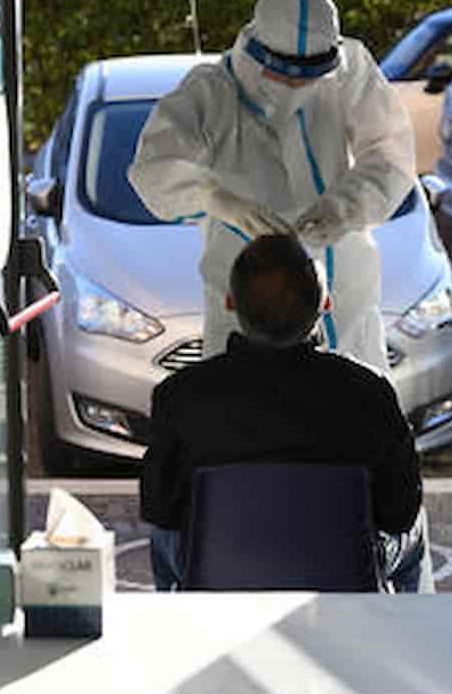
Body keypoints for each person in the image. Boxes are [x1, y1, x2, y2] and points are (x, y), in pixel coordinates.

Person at [127, 0, 416, 372]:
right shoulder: (211, 92)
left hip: (344, 290)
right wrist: (213, 198)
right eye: (284, 75)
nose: (296, 87)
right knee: (245, 403)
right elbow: (153, 165)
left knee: (356, 399)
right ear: (258, 52)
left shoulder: (349, 73)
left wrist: (344, 208)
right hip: (248, 299)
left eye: (309, 77)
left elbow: (390, 155)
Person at [140, 234, 431, 592]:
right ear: (324, 304)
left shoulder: (180, 395)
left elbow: (159, 508)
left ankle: (184, 617)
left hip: (219, 574)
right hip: (344, 576)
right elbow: (400, 512)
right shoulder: (370, 392)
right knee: (415, 530)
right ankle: (400, 622)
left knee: (164, 536)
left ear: (230, 302)